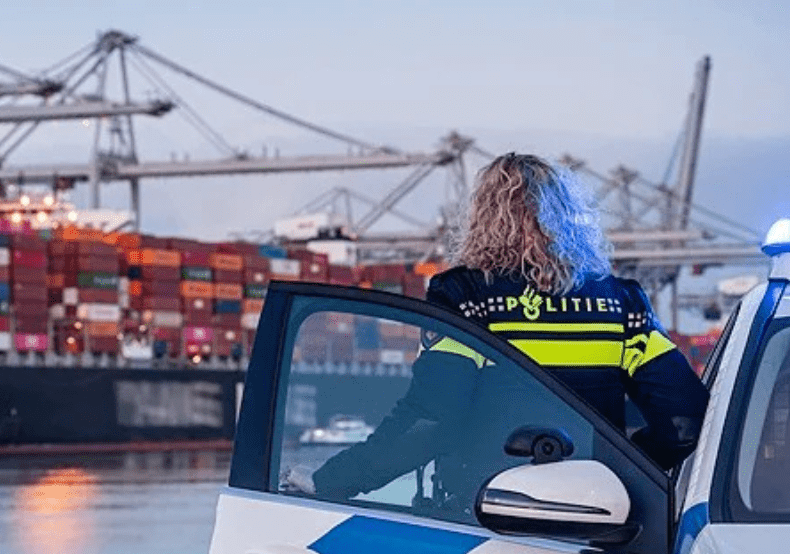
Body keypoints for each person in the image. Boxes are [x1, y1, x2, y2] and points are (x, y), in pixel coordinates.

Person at [289, 153, 708, 505]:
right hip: (597, 520)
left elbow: (432, 419)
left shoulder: (467, 297)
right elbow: (685, 420)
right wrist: (620, 476)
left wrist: (332, 480)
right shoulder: (621, 303)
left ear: (485, 216)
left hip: (484, 520)